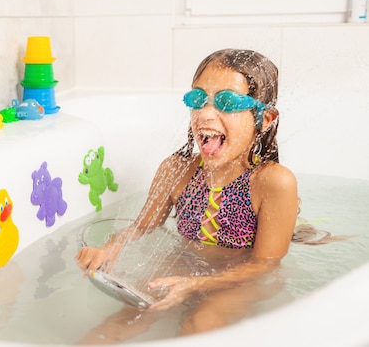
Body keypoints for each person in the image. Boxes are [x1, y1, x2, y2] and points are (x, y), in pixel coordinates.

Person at [75, 49, 299, 338]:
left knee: (201, 323)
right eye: (197, 99)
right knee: (122, 320)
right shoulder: (175, 169)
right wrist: (109, 247)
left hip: (240, 279)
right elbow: (142, 226)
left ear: (265, 118)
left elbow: (264, 264)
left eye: (227, 102)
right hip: (183, 265)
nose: (205, 113)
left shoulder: (271, 181)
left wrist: (196, 285)